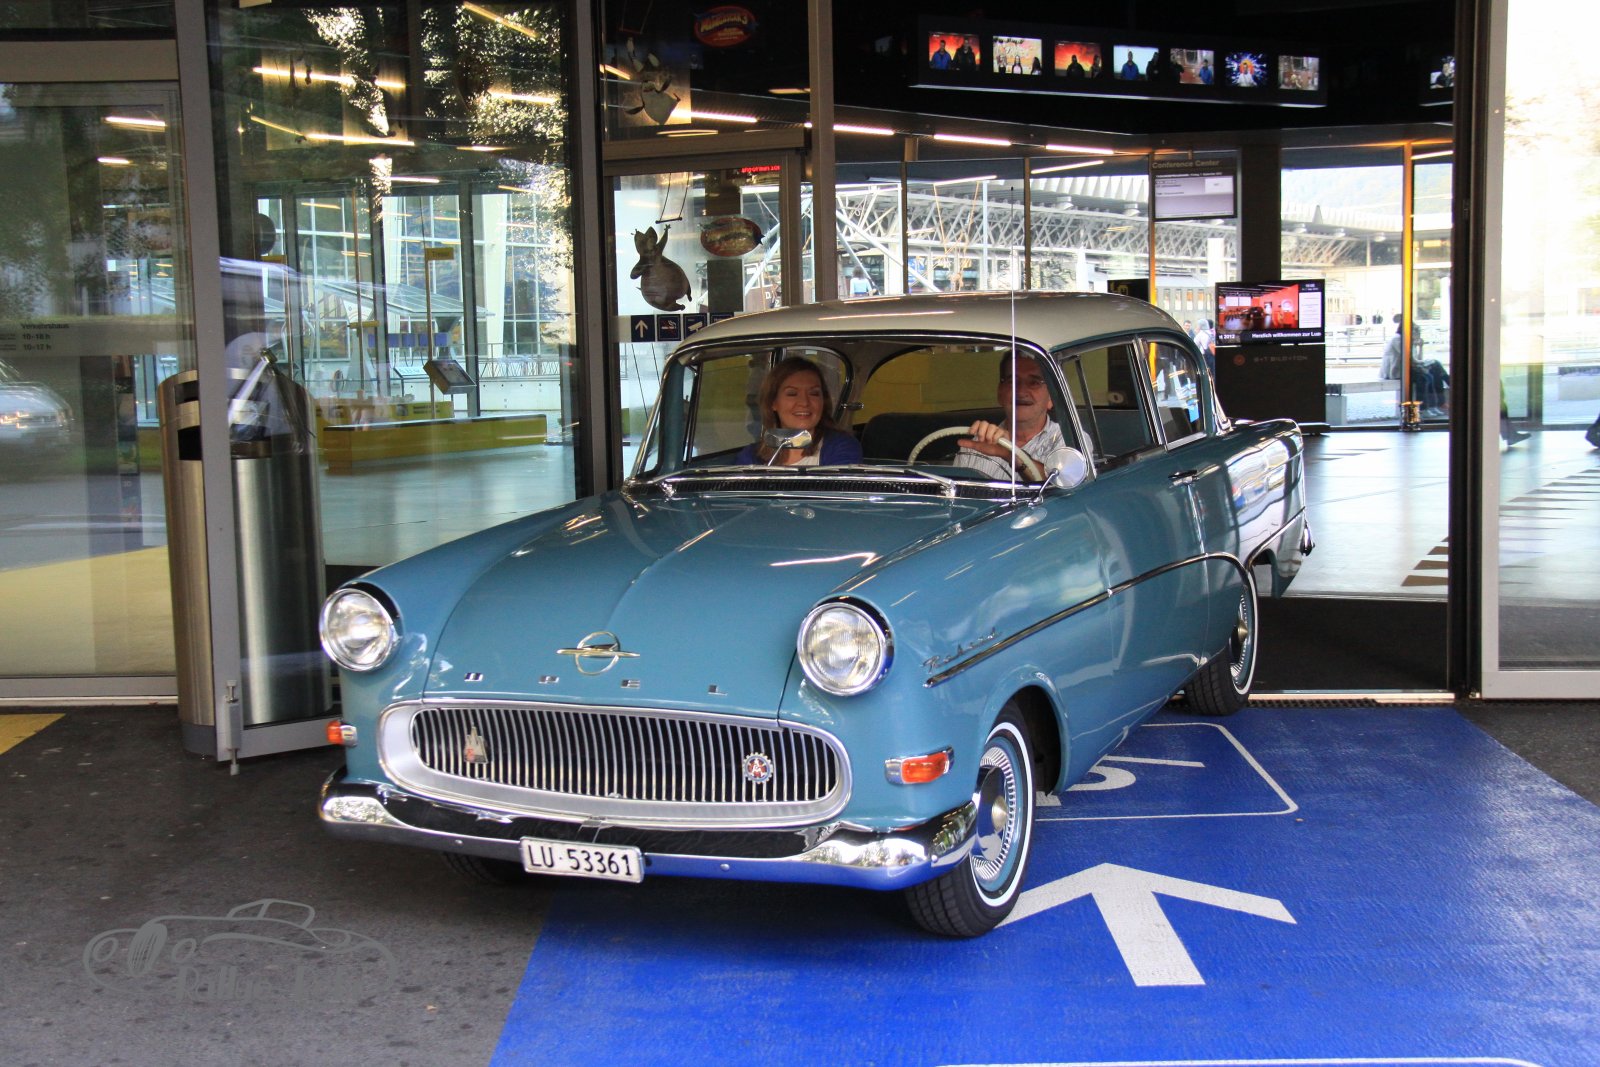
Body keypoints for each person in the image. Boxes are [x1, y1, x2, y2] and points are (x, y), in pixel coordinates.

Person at [954, 354, 1086, 485]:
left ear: (1051, 398)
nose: (1021, 392)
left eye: (1034, 382)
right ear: (1000, 393)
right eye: (1012, 381)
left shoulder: (1070, 440)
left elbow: (1063, 487)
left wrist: (1013, 455)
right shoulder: (976, 446)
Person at [737, 356, 863, 466]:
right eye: (792, 394)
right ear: (773, 403)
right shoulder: (751, 456)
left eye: (814, 393)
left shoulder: (841, 446)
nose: (804, 402)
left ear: (823, 402)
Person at [1380, 316, 1449, 417]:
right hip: (1397, 371)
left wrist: (1420, 347)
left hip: (1407, 368)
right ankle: (1424, 408)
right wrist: (1426, 363)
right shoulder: (1398, 339)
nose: (1415, 333)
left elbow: (1417, 358)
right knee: (1425, 377)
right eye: (1414, 330)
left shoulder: (1408, 340)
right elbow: (1411, 359)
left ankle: (1433, 405)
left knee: (1433, 372)